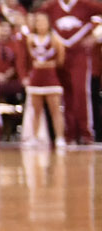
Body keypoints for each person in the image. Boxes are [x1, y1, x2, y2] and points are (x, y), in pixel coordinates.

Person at [49, 0, 99, 145]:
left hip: (80, 55)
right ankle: (69, 133)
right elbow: (36, 17)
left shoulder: (85, 5)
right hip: (60, 54)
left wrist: (95, 36)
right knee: (65, 94)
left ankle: (85, 132)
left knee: (80, 92)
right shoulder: (52, 6)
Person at [22, 9, 66, 150]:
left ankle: (60, 137)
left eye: (43, 21)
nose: (40, 24)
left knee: (55, 110)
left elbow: (60, 60)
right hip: (36, 77)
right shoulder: (29, 39)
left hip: (51, 78)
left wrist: (49, 65)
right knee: (36, 110)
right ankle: (34, 136)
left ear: (48, 23)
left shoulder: (55, 39)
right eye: (38, 21)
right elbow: (26, 61)